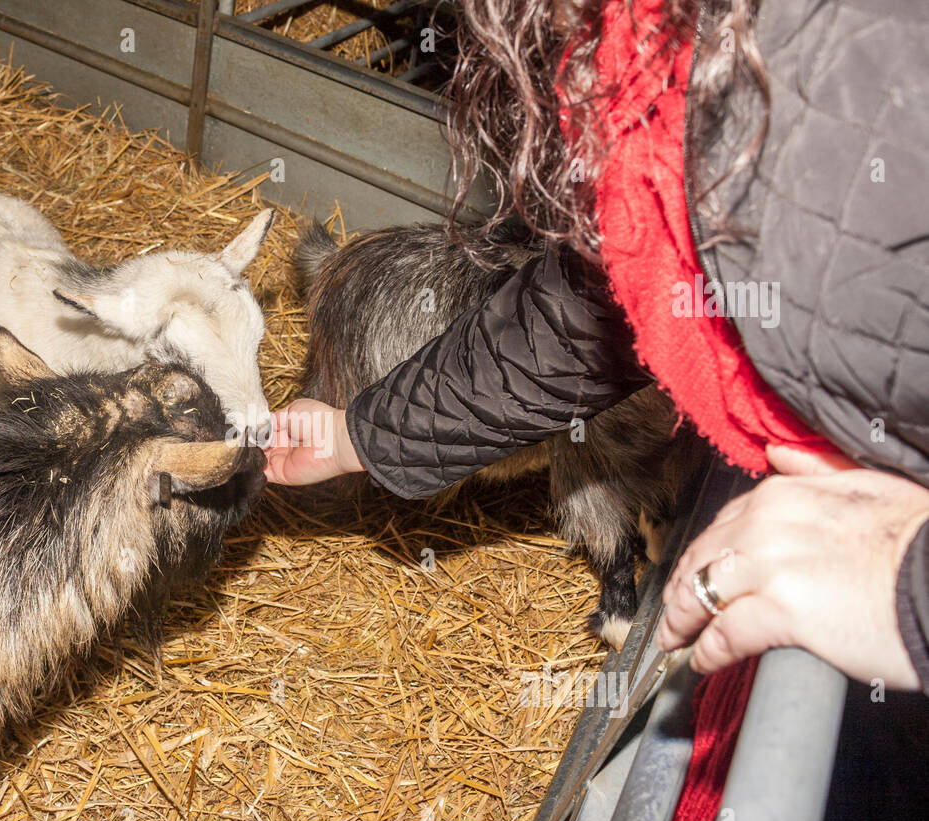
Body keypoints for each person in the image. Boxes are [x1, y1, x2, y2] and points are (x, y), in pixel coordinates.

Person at [264, 0, 929, 692]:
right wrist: (359, 438)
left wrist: (908, 585)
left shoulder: (843, 92)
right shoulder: (667, 84)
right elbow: (585, 316)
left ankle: (623, 591)